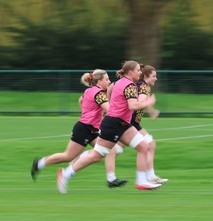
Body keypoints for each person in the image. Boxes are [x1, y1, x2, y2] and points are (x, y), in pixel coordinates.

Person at [57, 60, 160, 193]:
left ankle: (142, 182)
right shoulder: (130, 86)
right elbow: (133, 106)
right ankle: (65, 174)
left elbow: (112, 94)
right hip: (114, 124)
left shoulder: (119, 82)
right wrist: (148, 102)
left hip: (122, 124)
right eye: (138, 70)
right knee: (96, 156)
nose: (140, 73)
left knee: (144, 146)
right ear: (130, 72)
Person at [31, 69, 128, 187]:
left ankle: (111, 179)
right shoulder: (99, 94)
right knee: (68, 156)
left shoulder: (89, 90)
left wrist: (87, 113)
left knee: (108, 151)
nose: (109, 81)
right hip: (84, 129)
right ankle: (39, 163)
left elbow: (81, 100)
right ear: (99, 81)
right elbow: (110, 110)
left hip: (93, 129)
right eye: (107, 79)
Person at [104, 64, 168, 185]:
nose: (156, 78)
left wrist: (109, 103)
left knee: (110, 150)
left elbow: (112, 86)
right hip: (129, 122)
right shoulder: (143, 86)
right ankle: (148, 177)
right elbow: (142, 102)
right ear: (146, 75)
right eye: (154, 76)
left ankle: (111, 177)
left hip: (126, 121)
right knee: (149, 145)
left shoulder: (137, 84)